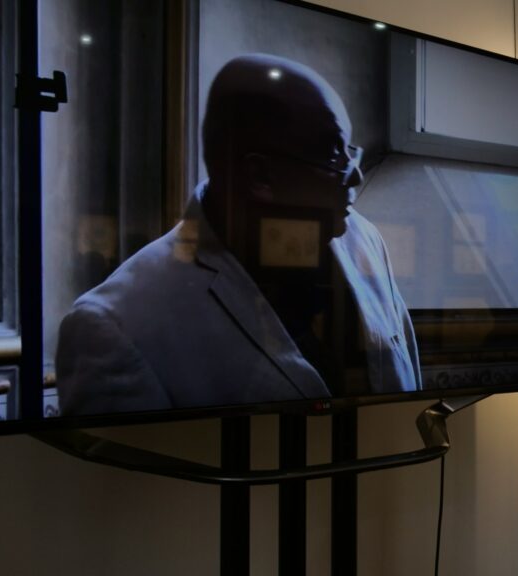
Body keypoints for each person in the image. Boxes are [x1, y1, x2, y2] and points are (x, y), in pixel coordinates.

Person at [55, 54, 422, 416]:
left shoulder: (365, 241)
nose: (356, 175)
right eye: (332, 154)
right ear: (259, 176)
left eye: (349, 152)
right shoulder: (116, 327)